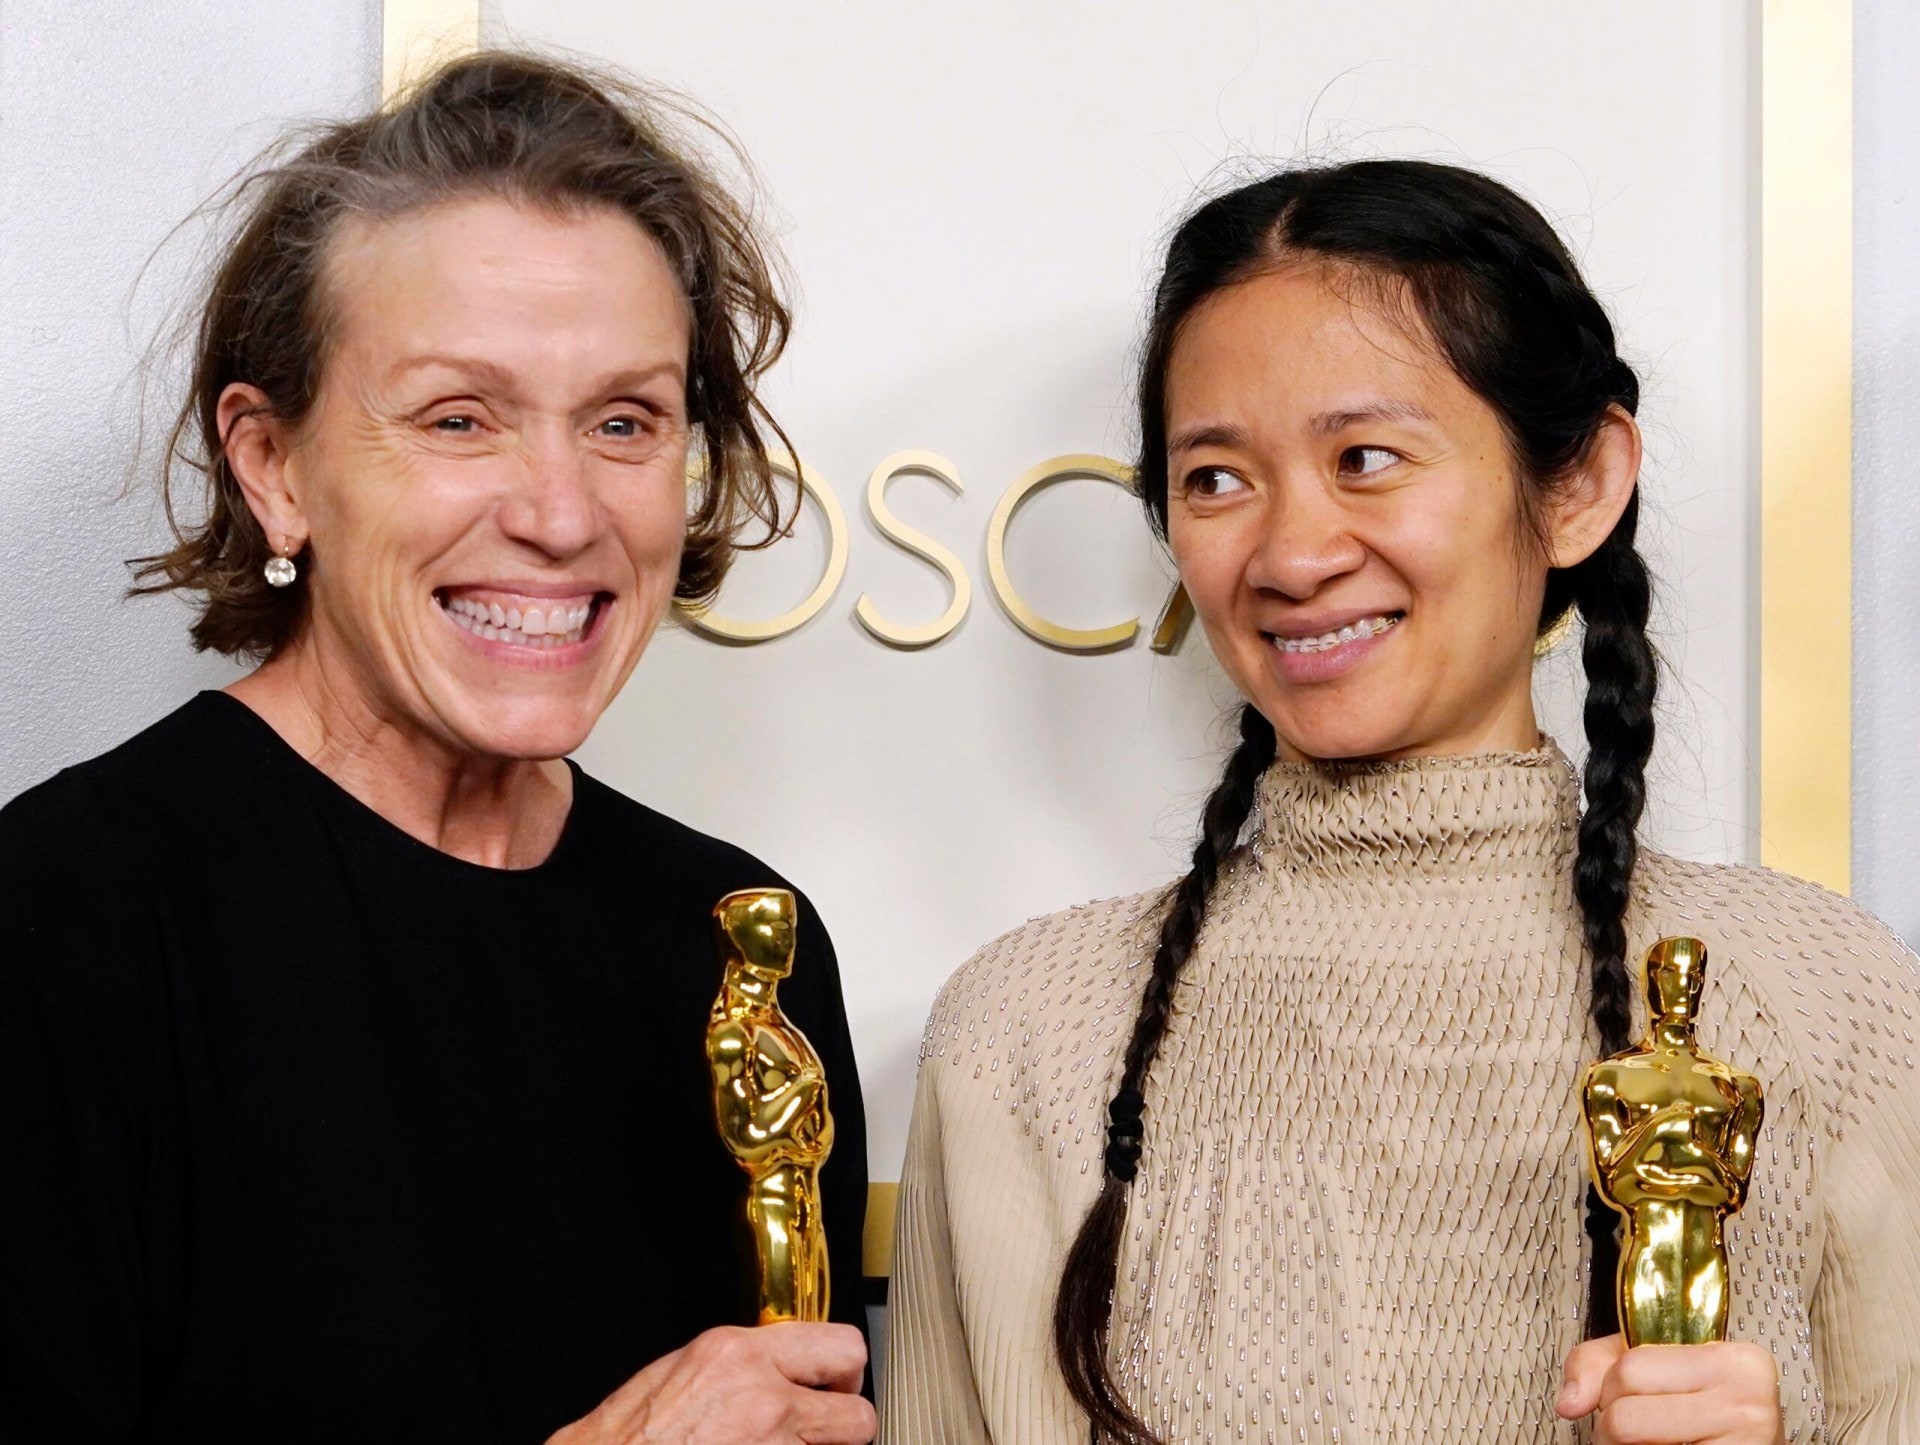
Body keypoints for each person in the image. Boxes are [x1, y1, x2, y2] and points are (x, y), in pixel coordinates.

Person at [879, 160, 1920, 1444]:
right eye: (1215, 478)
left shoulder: (1829, 997)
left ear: (1581, 482)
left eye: (1367, 458)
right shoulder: (1026, 1032)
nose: (1292, 552)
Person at [0, 53, 874, 1445]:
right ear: (274, 466)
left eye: (625, 421)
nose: (561, 509)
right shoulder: (61, 922)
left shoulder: (738, 944)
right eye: (459, 417)